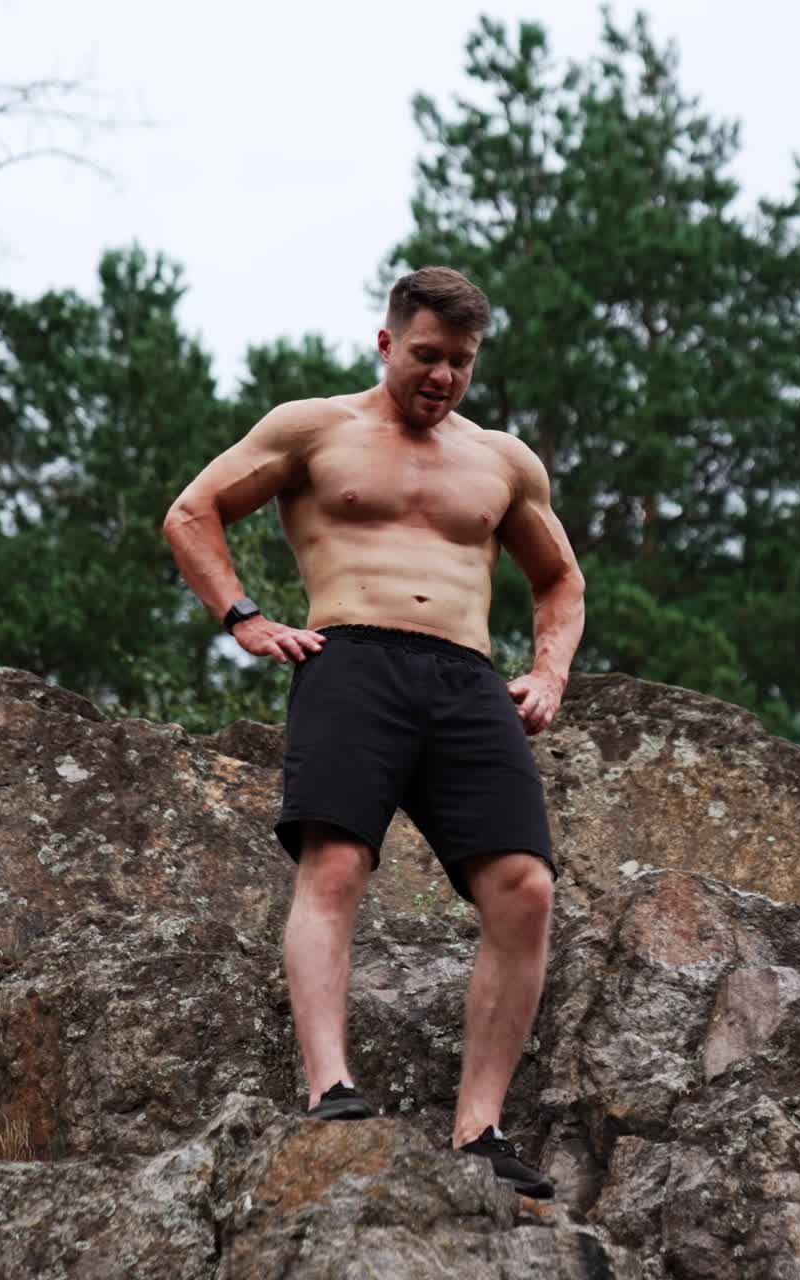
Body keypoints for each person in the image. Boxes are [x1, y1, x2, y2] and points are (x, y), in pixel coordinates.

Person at [162, 266, 584, 1199]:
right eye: (427, 356)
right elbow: (192, 513)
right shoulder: (314, 429)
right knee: (338, 864)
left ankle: (481, 1126)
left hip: (468, 675)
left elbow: (559, 578)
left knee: (525, 889)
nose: (442, 377)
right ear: (388, 342)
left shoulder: (504, 461)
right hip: (349, 656)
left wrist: (548, 670)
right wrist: (243, 617)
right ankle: (330, 1086)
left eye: (461, 364)